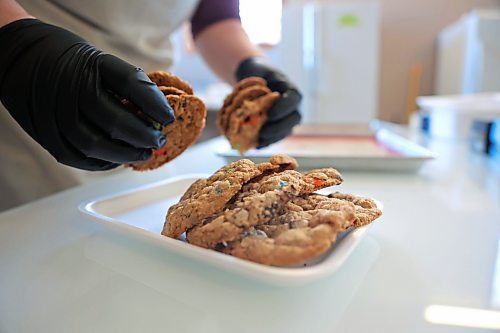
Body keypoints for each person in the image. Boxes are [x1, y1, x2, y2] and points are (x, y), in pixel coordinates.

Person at [0, 0, 302, 211]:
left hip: (152, 121)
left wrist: (251, 65)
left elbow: (214, 18)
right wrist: (19, 44)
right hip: (39, 91)